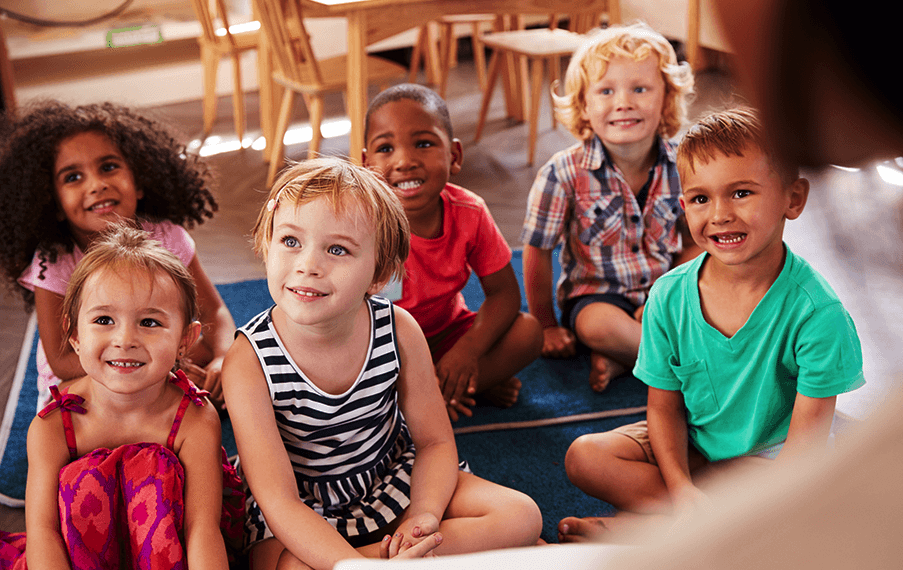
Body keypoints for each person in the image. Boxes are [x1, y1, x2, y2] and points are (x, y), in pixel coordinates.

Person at [558, 107, 865, 542]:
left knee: (779, 503)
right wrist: (681, 488)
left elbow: (802, 459)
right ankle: (694, 521)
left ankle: (642, 529)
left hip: (773, 456)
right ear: (684, 207)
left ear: (792, 199)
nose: (719, 214)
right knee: (584, 456)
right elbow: (664, 409)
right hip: (697, 442)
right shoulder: (668, 296)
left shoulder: (818, 314)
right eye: (701, 199)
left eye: (741, 193)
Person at [221, 158, 543, 570]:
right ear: (266, 244)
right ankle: (388, 564)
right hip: (303, 507)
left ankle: (399, 559)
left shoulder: (398, 328)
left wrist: (423, 517)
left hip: (392, 476)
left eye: (337, 249)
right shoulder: (248, 361)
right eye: (290, 241)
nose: (308, 264)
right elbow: (279, 500)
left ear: (379, 275)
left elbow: (435, 442)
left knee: (522, 515)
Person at [0, 224, 244, 569]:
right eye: (103, 319)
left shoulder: (194, 419)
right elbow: (43, 532)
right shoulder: (53, 425)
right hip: (81, 555)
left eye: (149, 322)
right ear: (74, 336)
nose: (125, 339)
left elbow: (200, 531)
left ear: (185, 340)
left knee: (157, 471)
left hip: (170, 552)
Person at [0, 100, 235, 409]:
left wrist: (221, 360)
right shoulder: (54, 263)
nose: (97, 185)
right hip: (91, 372)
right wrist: (151, 372)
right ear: (54, 203)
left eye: (109, 167)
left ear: (138, 182)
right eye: (73, 177)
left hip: (156, 355)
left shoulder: (168, 237)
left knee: (233, 369)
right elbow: (61, 359)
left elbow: (214, 313)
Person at [521, 22, 699, 392]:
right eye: (605, 91)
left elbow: (693, 240)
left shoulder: (684, 164)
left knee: (729, 296)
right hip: (596, 296)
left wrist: (667, 295)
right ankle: (690, 375)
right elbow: (537, 250)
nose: (624, 103)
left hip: (663, 291)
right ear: (584, 106)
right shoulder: (562, 173)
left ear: (666, 98)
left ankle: (625, 360)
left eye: (640, 89)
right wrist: (547, 325)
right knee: (597, 327)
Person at [362, 84, 543, 421]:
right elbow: (347, 320)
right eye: (385, 148)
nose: (404, 161)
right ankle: (446, 393)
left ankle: (437, 393)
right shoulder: (361, 225)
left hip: (448, 335)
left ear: (454, 156)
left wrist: (468, 352)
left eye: (424, 144)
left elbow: (504, 294)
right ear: (365, 163)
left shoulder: (470, 212)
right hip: (381, 348)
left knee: (528, 334)